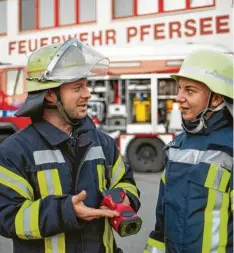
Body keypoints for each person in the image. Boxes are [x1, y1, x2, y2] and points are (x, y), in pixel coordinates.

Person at [0, 38, 140, 253]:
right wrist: (66, 212)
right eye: (77, 87)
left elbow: (127, 183)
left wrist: (122, 198)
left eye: (86, 85)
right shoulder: (15, 152)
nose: (87, 94)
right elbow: (7, 217)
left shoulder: (102, 143)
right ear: (49, 95)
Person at [143, 49, 233, 253]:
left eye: (190, 91)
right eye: (180, 89)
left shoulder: (231, 149)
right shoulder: (176, 146)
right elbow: (161, 223)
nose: (179, 97)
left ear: (216, 98)